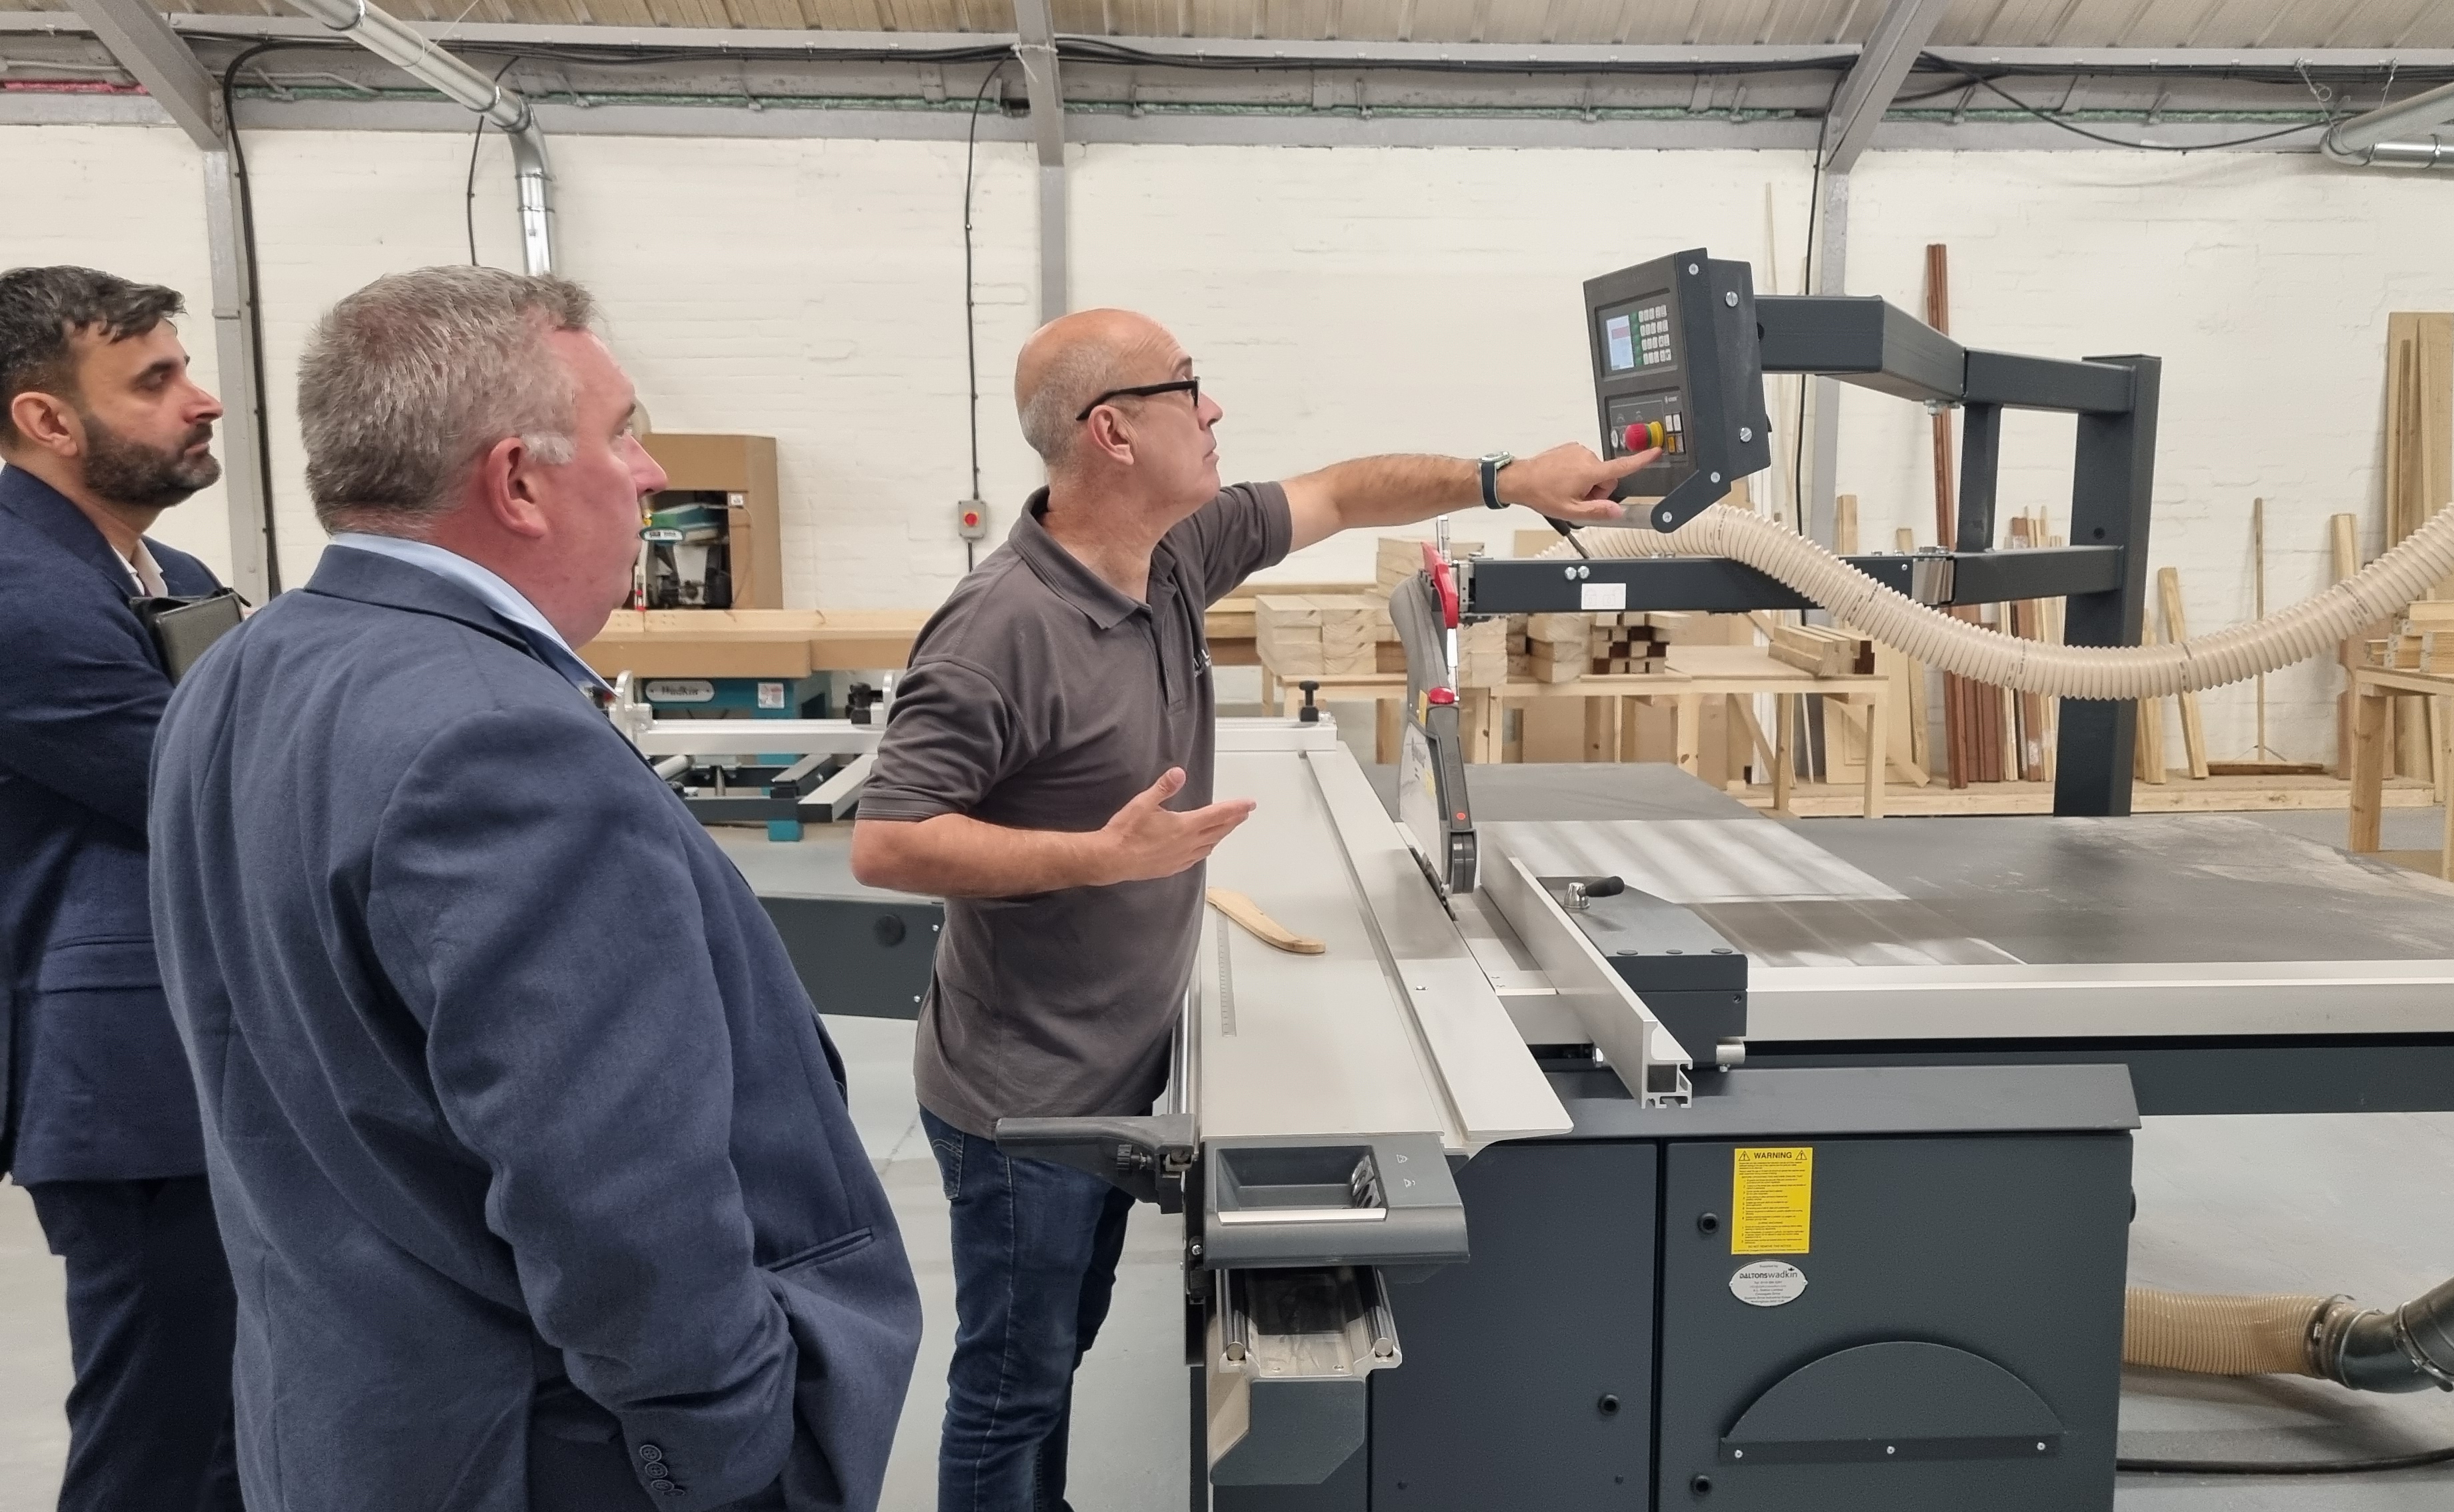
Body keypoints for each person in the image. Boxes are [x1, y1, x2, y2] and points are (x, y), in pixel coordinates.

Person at [850, 305, 1650, 1511]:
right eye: (1191, 389)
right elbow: (887, 842)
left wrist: (1506, 477)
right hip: (1025, 1097)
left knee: (1056, 1354)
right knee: (1015, 1383)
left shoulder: (1178, 550)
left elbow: (1341, 491)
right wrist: (1099, 859)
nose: (1216, 409)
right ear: (1112, 433)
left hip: (1113, 1060)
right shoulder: (1000, 629)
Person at [146, 267, 919, 1512]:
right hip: (547, 1453)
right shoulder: (500, 743)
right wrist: (721, 1443)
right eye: (623, 436)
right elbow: (615, 1195)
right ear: (516, 480)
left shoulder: (241, 672)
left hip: (352, 1417)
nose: (652, 473)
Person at [0, 265, 241, 1512]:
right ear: (46, 419)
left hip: (203, 1054)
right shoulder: (18, 590)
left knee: (235, 1425)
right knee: (159, 1429)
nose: (200, 401)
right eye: (153, 381)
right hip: (126, 1079)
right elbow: (204, 791)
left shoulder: (167, 566)